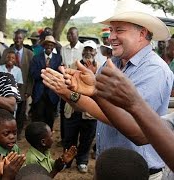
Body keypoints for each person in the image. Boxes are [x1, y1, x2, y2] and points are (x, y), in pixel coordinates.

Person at [41, 0, 172, 179]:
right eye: (111, 30)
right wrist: (68, 91)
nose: (111, 37)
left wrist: (75, 94)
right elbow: (91, 106)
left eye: (119, 30)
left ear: (142, 33)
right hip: (109, 169)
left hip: (140, 174)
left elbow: (136, 129)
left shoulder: (155, 70)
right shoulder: (112, 65)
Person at [60, 40, 99, 173]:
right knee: (69, 137)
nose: (88, 53)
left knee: (87, 138)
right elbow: (65, 86)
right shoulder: (73, 65)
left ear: (95, 52)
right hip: (72, 109)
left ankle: (82, 161)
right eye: (86, 50)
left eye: (91, 50)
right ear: (82, 52)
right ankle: (67, 161)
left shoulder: (99, 69)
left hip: (90, 111)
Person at [0, 30, 34, 136]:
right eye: (16, 38)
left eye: (20, 38)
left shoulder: (29, 54)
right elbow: (1, 68)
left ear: (23, 39)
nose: (17, 40)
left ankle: (17, 133)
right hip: (6, 91)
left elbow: (30, 75)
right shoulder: (7, 52)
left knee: (20, 113)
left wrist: (28, 90)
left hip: (22, 89)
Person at [30, 35, 62, 129]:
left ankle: (48, 135)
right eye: (47, 44)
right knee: (38, 116)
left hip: (52, 93)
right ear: (44, 46)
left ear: (53, 47)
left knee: (50, 116)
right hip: (39, 92)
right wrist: (45, 71)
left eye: (51, 45)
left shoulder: (58, 58)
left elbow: (59, 74)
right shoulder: (36, 58)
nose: (49, 46)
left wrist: (51, 74)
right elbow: (33, 74)